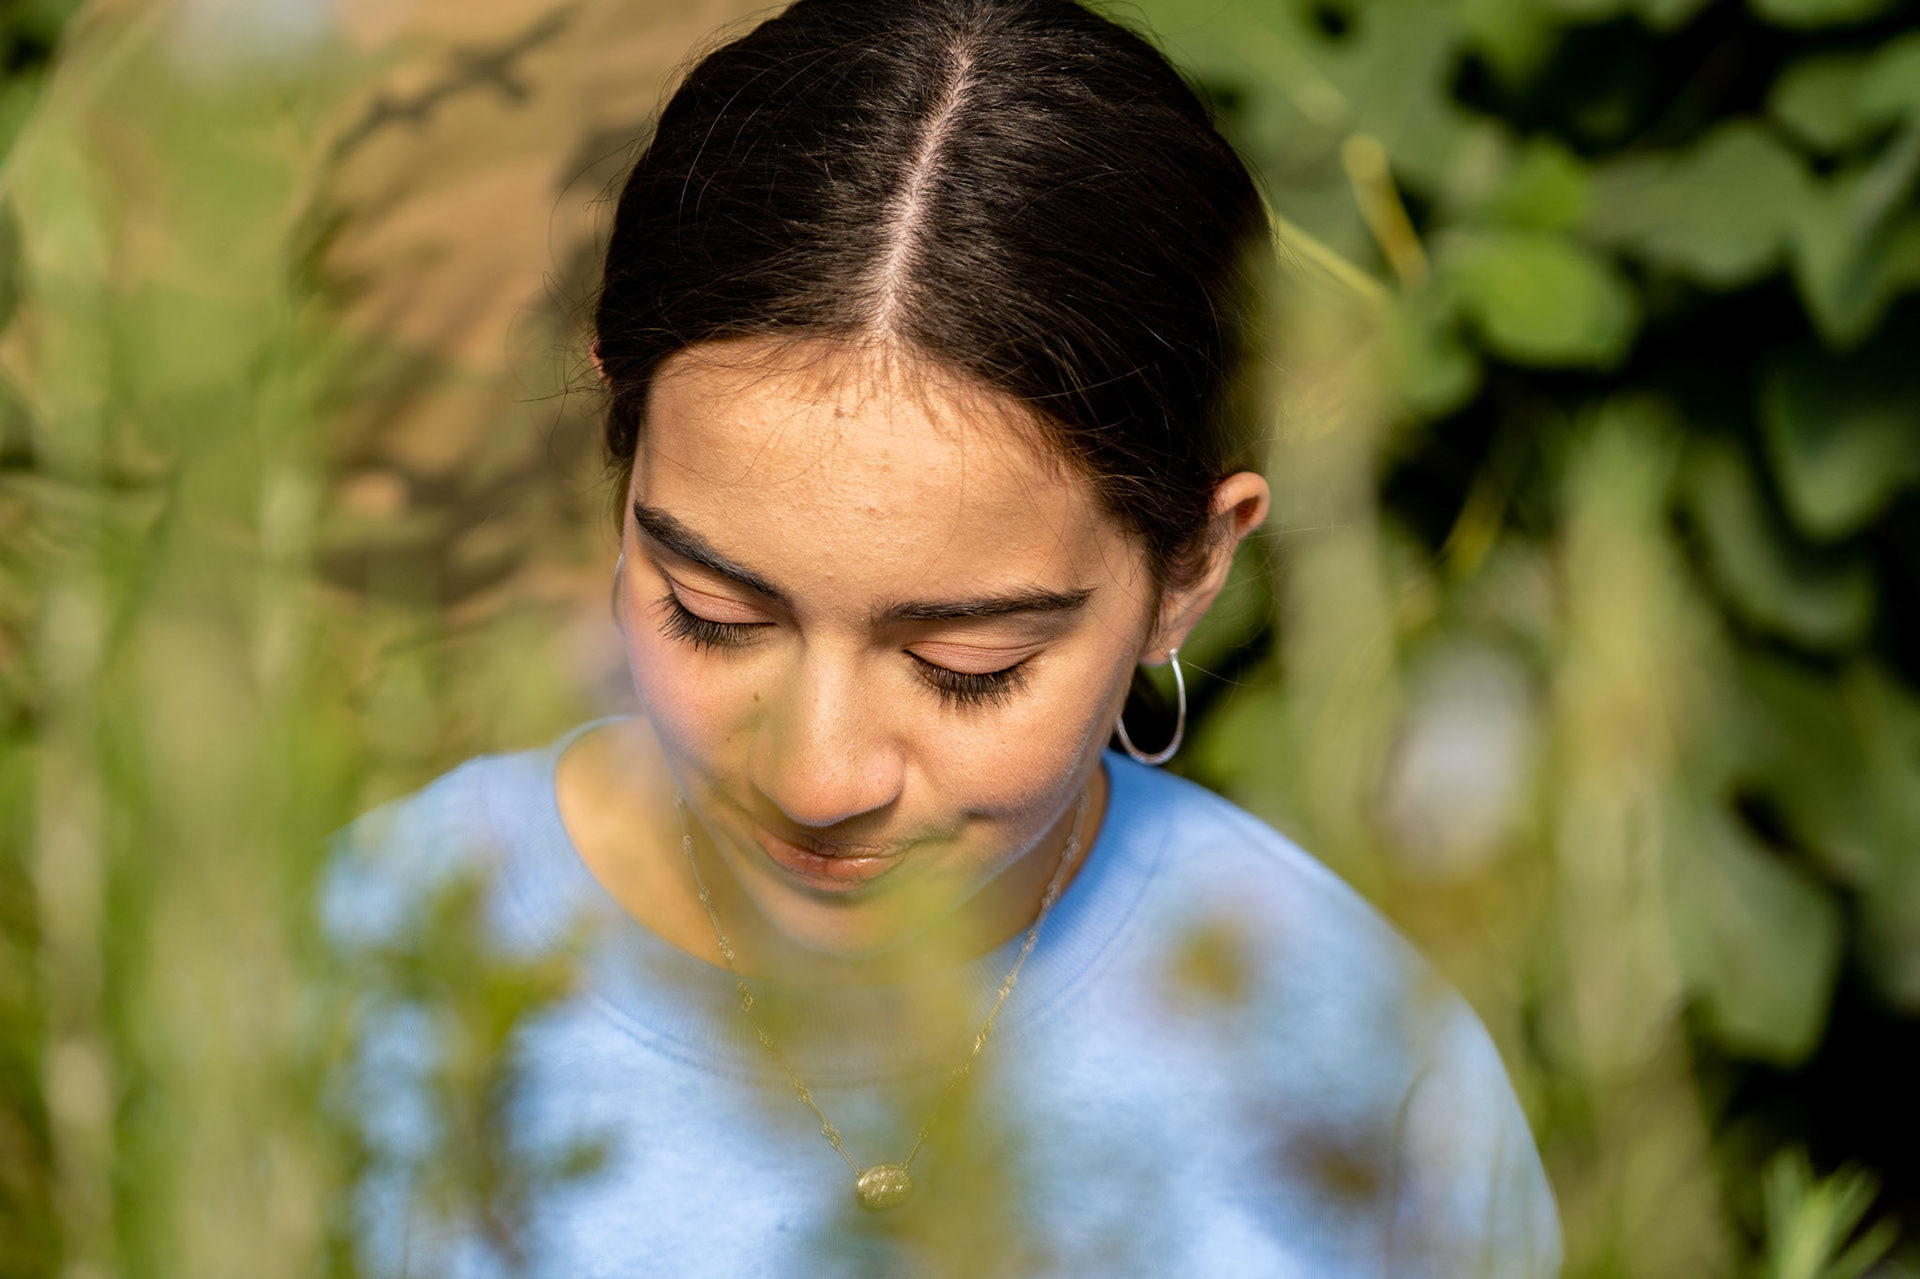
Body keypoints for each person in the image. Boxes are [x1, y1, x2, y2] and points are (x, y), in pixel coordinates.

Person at [326, 0, 1562, 1273]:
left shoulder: (1369, 1078)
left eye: (967, 669)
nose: (816, 778)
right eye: (716, 615)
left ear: (1191, 569)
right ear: (622, 448)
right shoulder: (340, 987)